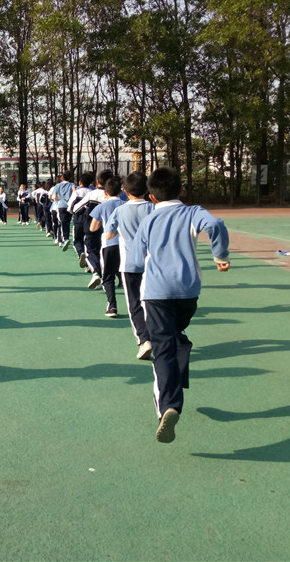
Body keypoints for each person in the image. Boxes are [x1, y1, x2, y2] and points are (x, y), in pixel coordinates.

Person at [127, 167, 230, 443]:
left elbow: (135, 261)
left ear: (151, 196)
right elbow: (216, 225)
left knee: (162, 350)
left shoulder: (149, 220)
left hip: (157, 293)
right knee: (176, 337)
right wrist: (220, 255)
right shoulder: (193, 212)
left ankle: (168, 406)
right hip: (187, 293)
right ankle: (177, 379)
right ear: (181, 190)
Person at [103, 172, 154, 360]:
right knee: (153, 303)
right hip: (153, 264)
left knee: (134, 304)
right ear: (147, 189)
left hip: (130, 264)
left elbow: (108, 235)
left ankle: (144, 340)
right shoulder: (154, 208)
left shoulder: (120, 211)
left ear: (125, 190)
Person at [89, 177, 125, 318]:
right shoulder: (126, 205)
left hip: (109, 244)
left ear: (105, 192)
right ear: (121, 191)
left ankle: (112, 305)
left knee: (108, 277)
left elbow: (92, 228)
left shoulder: (101, 207)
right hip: (126, 244)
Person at [72, 170, 112, 289]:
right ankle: (112, 280)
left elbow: (76, 209)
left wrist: (87, 210)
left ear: (97, 181)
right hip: (112, 230)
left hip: (92, 227)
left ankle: (96, 272)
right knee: (108, 254)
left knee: (91, 251)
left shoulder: (92, 194)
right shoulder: (119, 195)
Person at [70, 171, 95, 265]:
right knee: (88, 240)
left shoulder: (76, 192)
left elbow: (71, 206)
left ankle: (81, 253)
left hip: (78, 218)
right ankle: (89, 263)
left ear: (80, 182)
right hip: (90, 219)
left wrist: (72, 213)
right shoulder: (93, 192)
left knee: (77, 240)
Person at [52, 170, 75, 250]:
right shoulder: (72, 185)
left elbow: (54, 196)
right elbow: (74, 192)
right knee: (67, 223)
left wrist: (60, 199)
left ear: (62, 178)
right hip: (70, 206)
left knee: (62, 223)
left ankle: (64, 239)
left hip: (61, 206)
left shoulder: (57, 186)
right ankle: (65, 238)